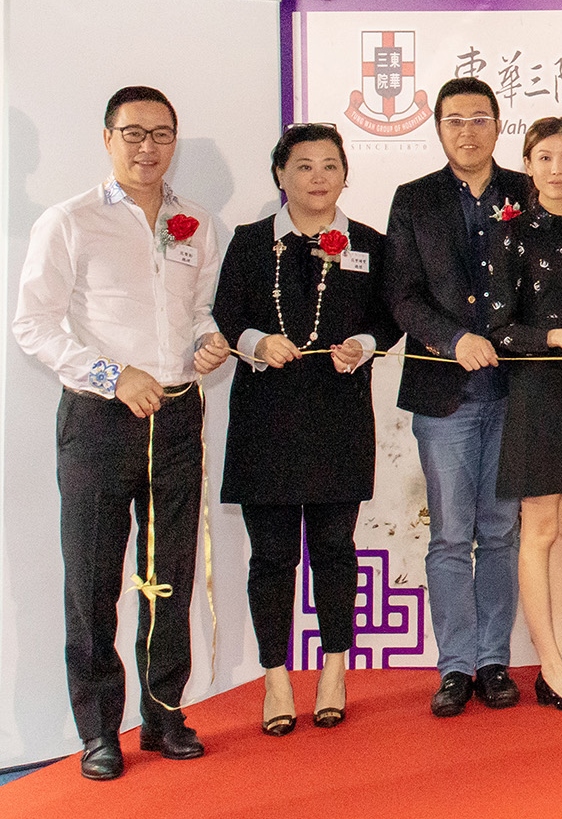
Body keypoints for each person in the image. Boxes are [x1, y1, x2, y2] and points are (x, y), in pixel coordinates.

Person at [14, 85, 229, 780]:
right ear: (108, 138)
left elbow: (199, 311)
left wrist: (208, 342)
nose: (147, 147)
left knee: (169, 576)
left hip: (177, 415)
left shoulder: (197, 223)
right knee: (93, 577)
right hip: (100, 420)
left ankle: (164, 714)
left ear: (174, 141)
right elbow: (33, 324)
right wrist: (112, 375)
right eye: (133, 133)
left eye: (161, 133)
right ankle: (99, 729)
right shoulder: (70, 220)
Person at [215, 123, 397, 737]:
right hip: (264, 420)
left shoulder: (368, 243)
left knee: (335, 550)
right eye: (303, 166)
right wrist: (255, 342)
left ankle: (334, 671)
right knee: (271, 555)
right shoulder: (249, 242)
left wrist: (364, 344)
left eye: (329, 166)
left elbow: (389, 319)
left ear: (345, 174)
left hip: (338, 417)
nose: (318, 178)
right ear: (280, 174)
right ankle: (275, 678)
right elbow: (225, 314)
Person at [383, 76, 537, 717]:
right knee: (450, 536)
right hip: (444, 393)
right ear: (438, 128)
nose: (467, 131)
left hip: (515, 391)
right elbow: (400, 295)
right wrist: (453, 339)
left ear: (497, 126)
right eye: (455, 120)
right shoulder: (414, 199)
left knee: (500, 531)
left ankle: (494, 661)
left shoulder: (527, 192)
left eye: (479, 119)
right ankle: (454, 667)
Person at [486, 117, 562, 711]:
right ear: (527, 166)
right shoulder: (512, 231)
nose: (557, 168)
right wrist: (555, 336)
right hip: (536, 390)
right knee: (538, 529)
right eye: (545, 158)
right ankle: (551, 664)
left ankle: (558, 659)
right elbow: (497, 328)